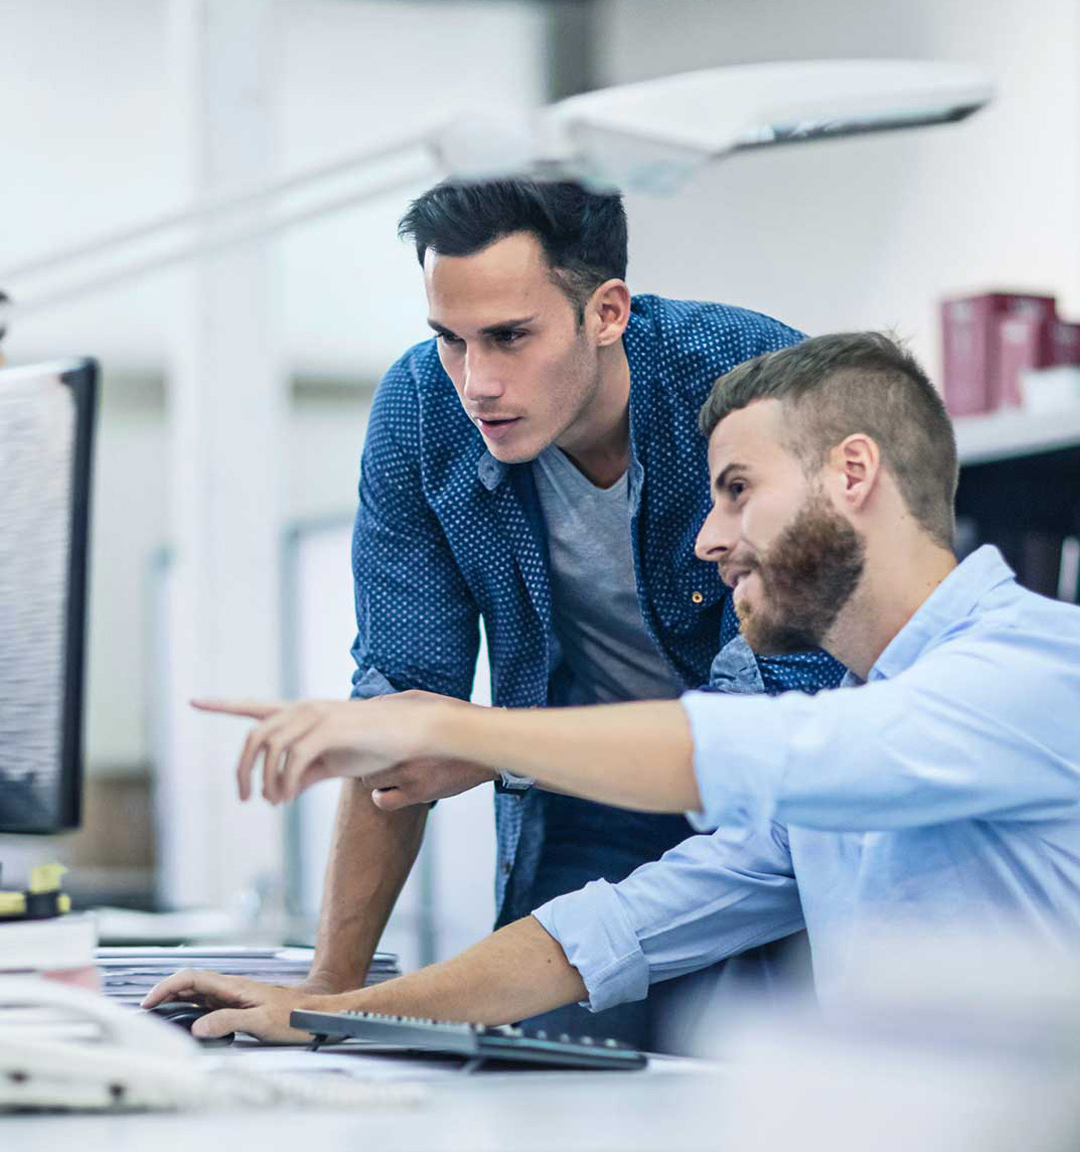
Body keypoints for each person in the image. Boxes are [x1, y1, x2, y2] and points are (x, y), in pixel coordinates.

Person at [145, 331, 1080, 1042]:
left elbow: (732, 753)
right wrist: (336, 1013)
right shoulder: (848, 750)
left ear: (852, 471)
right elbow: (608, 931)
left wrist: (455, 728)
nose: (709, 539)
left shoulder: (1030, 670)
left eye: (738, 490)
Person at [292, 178, 843, 1049]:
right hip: (582, 797)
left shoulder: (751, 382)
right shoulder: (421, 411)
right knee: (551, 1072)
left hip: (778, 802)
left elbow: (778, 727)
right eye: (451, 340)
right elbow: (400, 711)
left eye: (510, 337)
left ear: (608, 312)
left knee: (774, 1075)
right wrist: (327, 995)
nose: (477, 382)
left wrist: (486, 746)